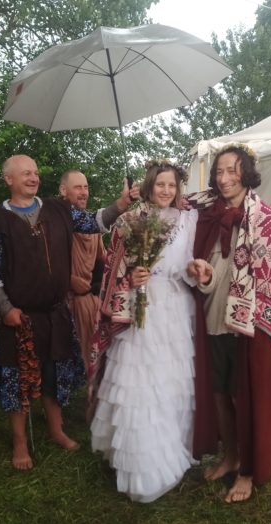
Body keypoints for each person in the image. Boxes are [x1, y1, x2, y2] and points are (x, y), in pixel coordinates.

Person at [0, 154, 137, 470]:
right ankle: (20, 443)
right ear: (8, 179)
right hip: (19, 316)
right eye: (25, 173)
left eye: (35, 172)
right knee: (17, 380)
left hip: (55, 313)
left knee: (54, 375)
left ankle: (56, 430)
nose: (33, 177)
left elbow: (94, 222)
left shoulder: (58, 209)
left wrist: (121, 204)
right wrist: (5, 308)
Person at [188, 143, 271, 504]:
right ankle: (231, 456)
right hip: (214, 317)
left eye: (232, 170)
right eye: (219, 171)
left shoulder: (267, 219)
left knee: (246, 398)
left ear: (247, 173)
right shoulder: (207, 214)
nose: (224, 178)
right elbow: (209, 272)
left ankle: (248, 471)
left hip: (253, 328)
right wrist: (202, 276)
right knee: (220, 392)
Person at [89, 161, 198, 503]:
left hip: (175, 306)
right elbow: (113, 268)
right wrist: (132, 276)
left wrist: (194, 272)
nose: (166, 190)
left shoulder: (188, 220)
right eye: (160, 184)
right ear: (149, 186)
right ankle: (140, 463)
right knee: (140, 379)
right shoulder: (131, 219)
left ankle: (174, 445)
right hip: (141, 303)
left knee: (171, 378)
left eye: (172, 185)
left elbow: (190, 266)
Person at [59, 169, 106, 370]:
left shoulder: (91, 225)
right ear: (63, 190)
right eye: (78, 187)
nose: (84, 192)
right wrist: (69, 279)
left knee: (93, 358)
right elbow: (42, 263)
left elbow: (103, 260)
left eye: (86, 187)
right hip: (62, 302)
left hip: (89, 300)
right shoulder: (54, 221)